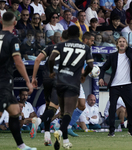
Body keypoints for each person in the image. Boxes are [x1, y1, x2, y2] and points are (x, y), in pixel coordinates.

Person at [49, 25, 93, 149]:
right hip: (73, 81)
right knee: (69, 111)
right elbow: (90, 65)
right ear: (79, 34)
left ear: (67, 34)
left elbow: (51, 59)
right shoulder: (85, 47)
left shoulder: (61, 45)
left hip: (60, 80)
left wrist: (51, 71)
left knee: (63, 111)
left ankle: (65, 140)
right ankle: (61, 132)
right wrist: (84, 75)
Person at [0, 11, 35, 150]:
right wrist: (28, 81)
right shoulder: (12, 38)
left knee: (14, 111)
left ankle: (21, 145)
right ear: (15, 23)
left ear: (1, 22)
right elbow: (18, 61)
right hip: (3, 80)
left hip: (5, 82)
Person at [30, 30, 68, 145]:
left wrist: (33, 78)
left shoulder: (50, 47)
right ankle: (38, 120)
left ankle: (47, 137)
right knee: (53, 109)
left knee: (48, 107)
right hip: (59, 80)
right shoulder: (69, 51)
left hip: (46, 79)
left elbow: (37, 60)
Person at [67, 32, 95, 137]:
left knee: (82, 105)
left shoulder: (88, 50)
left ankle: (68, 126)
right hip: (70, 80)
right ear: (86, 40)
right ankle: (50, 124)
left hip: (77, 81)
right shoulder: (79, 49)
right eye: (91, 40)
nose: (93, 42)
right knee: (69, 105)